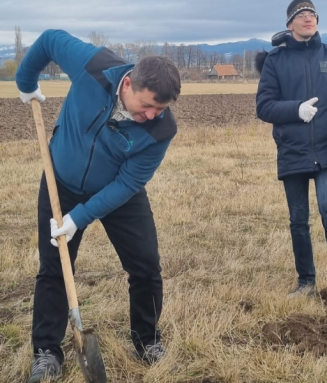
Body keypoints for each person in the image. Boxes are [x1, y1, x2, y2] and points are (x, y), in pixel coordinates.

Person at [16, 29, 181, 382]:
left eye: (161, 109)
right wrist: (25, 80)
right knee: (55, 267)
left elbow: (130, 182)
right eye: (148, 105)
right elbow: (49, 39)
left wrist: (81, 216)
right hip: (60, 181)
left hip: (118, 191)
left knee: (146, 265)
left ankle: (147, 340)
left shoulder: (161, 129)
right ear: (128, 84)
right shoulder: (94, 65)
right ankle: (47, 351)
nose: (153, 115)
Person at [256, 0, 327, 304]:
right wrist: (295, 110)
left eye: (312, 14)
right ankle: (306, 281)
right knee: (298, 219)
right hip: (292, 148)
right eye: (300, 15)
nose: (308, 18)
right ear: (290, 24)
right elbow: (263, 106)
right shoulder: (275, 61)